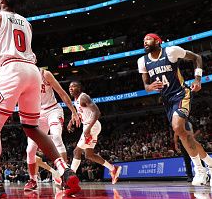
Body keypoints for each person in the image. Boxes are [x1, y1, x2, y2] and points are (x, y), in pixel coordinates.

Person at [0, 0, 80, 199]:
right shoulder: (27, 23)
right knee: (31, 127)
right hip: (33, 72)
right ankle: (65, 172)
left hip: (12, 70)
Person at [138, 33, 211, 186]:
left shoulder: (171, 51)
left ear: (158, 41)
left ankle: (200, 170)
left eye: (148, 39)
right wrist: (149, 87)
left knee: (177, 127)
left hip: (181, 94)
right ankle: (210, 164)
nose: (145, 42)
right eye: (144, 40)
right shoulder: (142, 61)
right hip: (167, 100)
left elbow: (197, 57)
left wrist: (198, 79)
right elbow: (145, 85)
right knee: (185, 135)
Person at [24, 69, 81, 191]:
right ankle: (32, 180)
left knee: (56, 136)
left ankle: (65, 176)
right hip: (37, 114)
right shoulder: (23, 76)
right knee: (30, 149)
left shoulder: (45, 74)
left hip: (53, 110)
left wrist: (74, 111)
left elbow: (61, 92)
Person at [68, 81, 121, 183]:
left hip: (91, 126)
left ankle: (69, 179)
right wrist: (71, 121)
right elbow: (79, 112)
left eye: (73, 86)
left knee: (76, 151)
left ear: (79, 88)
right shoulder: (76, 99)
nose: (71, 88)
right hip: (88, 126)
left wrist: (88, 129)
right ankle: (113, 169)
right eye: (70, 87)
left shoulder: (84, 97)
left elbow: (97, 112)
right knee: (89, 155)